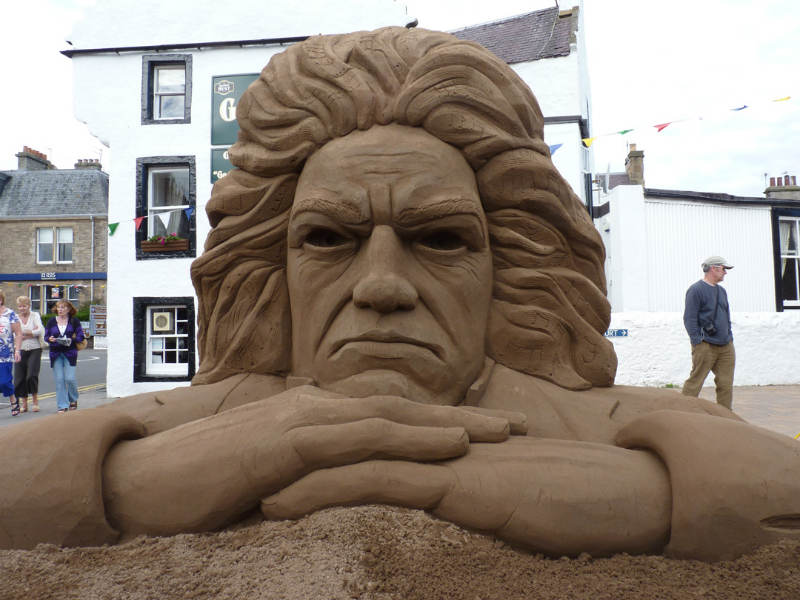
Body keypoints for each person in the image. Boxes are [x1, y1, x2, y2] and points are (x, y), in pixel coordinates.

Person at [0, 28, 798, 562]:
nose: (381, 287)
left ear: (508, 266)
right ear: (272, 263)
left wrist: (650, 498)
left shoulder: (603, 424)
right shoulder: (196, 419)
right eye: (327, 239)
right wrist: (126, 487)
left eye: (443, 240)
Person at [681, 256, 735, 409]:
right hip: (705, 345)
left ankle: (726, 416)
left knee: (726, 384)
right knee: (695, 381)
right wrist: (697, 341)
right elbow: (689, 318)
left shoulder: (722, 291)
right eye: (724, 269)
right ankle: (682, 412)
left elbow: (726, 315)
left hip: (726, 345)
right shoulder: (696, 290)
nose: (725, 273)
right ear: (714, 268)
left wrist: (729, 337)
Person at [44, 299, 85, 414]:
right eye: (59, 307)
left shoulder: (74, 321)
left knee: (70, 378)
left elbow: (81, 336)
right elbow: (46, 336)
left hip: (70, 353)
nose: (60, 309)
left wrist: (71, 339)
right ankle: (62, 405)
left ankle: (73, 399)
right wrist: (50, 339)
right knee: (59, 380)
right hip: (55, 353)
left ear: (69, 309)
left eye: (63, 307)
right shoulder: (52, 321)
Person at [14, 296, 44, 413]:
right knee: (20, 378)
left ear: (29, 306)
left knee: (31, 375)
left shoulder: (35, 315)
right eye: (20, 306)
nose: (22, 308)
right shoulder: (15, 318)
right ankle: (24, 404)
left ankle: (35, 401)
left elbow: (40, 330)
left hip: (35, 349)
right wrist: (31, 333)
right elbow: (14, 335)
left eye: (24, 306)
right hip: (19, 349)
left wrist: (22, 334)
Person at [0, 290, 22, 416]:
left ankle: (13, 399)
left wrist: (17, 350)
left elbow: (18, 333)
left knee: (3, 382)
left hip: (5, 354)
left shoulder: (10, 314)